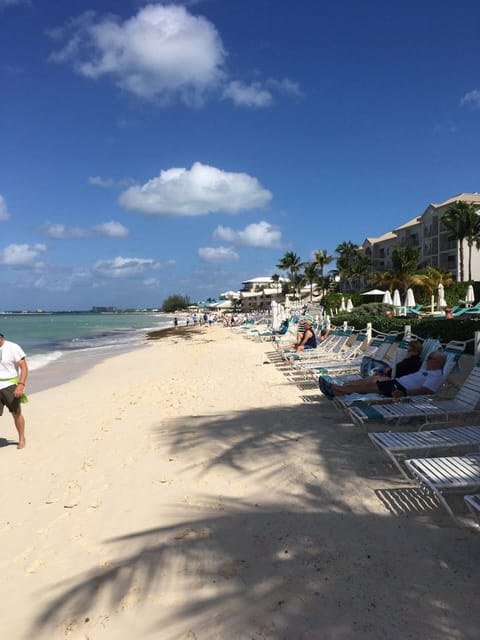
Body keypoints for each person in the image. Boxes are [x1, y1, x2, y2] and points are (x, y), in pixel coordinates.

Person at [319, 350, 446, 399]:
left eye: (430, 358)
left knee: (369, 387)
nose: (427, 360)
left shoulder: (436, 375)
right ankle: (340, 389)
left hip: (399, 389)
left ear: (438, 362)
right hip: (397, 382)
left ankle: (337, 389)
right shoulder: (428, 371)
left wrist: (404, 393)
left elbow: (426, 391)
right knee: (373, 380)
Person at [0, 332, 28, 449]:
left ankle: (21, 438)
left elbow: (24, 367)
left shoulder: (13, 347)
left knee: (16, 413)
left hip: (10, 385)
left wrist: (21, 385)